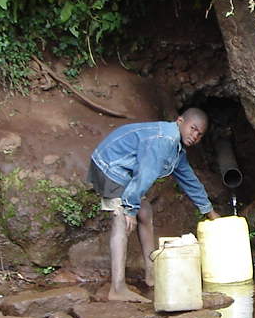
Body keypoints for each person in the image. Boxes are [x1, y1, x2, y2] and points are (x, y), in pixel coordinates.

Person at [88, 109, 220, 301]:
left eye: (199, 134)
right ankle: (117, 288)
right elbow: (145, 174)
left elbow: (189, 180)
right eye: (193, 129)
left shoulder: (177, 149)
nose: (195, 136)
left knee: (146, 211)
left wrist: (210, 212)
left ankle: (151, 275)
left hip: (124, 171)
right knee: (121, 217)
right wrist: (130, 209)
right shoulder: (164, 140)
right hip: (109, 166)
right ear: (180, 121)